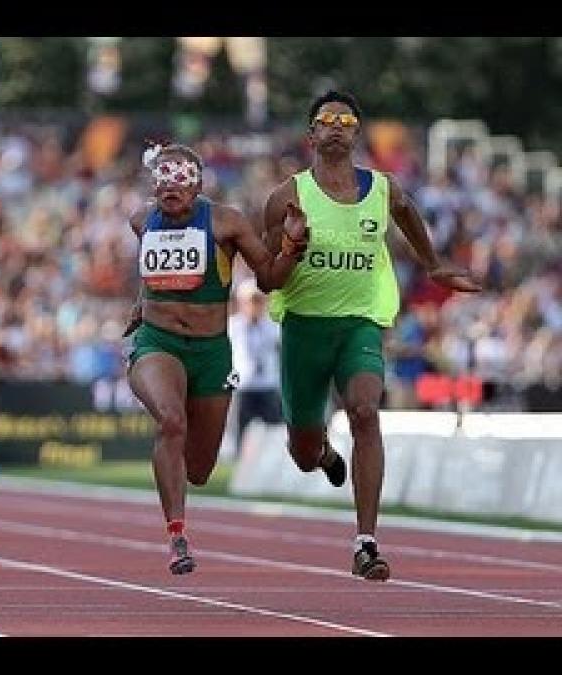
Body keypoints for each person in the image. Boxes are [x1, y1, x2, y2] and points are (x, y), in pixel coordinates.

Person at [260, 90, 482, 581]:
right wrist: (292, 248)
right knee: (301, 452)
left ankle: (366, 542)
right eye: (326, 119)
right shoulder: (286, 197)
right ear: (311, 133)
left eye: (346, 120)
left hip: (360, 322)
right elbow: (265, 280)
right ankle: (322, 454)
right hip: (303, 327)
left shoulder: (383, 189)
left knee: (364, 411)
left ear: (357, 133)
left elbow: (406, 215)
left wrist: (433, 265)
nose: (337, 126)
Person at [124, 141, 308, 575]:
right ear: (154, 189)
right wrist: (141, 304)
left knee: (202, 468)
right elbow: (153, 275)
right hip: (157, 344)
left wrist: (292, 248)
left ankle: (178, 478)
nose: (170, 196)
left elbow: (269, 280)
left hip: (211, 352)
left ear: (198, 187)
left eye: (179, 188)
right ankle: (177, 535)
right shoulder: (140, 220)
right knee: (171, 420)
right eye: (162, 189)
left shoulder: (226, 222)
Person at [226, 278, 283, 456]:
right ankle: (239, 459)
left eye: (258, 300)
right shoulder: (232, 326)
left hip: (268, 384)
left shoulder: (274, 327)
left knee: (274, 429)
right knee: (240, 427)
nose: (254, 305)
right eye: (251, 300)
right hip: (243, 384)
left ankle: (273, 458)